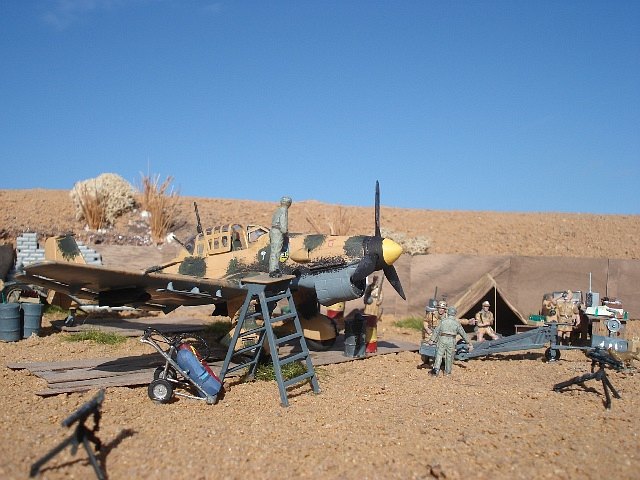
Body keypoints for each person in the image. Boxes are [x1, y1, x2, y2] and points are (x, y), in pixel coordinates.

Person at [429, 306, 473, 376]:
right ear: (455, 314)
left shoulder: (443, 321)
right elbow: (463, 333)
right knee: (449, 356)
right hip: (451, 340)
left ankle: (436, 371)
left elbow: (436, 331)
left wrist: (432, 340)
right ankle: (447, 372)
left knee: (439, 355)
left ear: (448, 313)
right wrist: (469, 342)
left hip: (442, 339)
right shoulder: (457, 323)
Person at [268, 196, 292, 277]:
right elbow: (283, 225)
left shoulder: (278, 210)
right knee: (276, 251)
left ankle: (275, 268)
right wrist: (285, 233)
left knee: (274, 251)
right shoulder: (284, 210)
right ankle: (273, 270)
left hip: (274, 230)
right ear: (289, 203)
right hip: (278, 232)